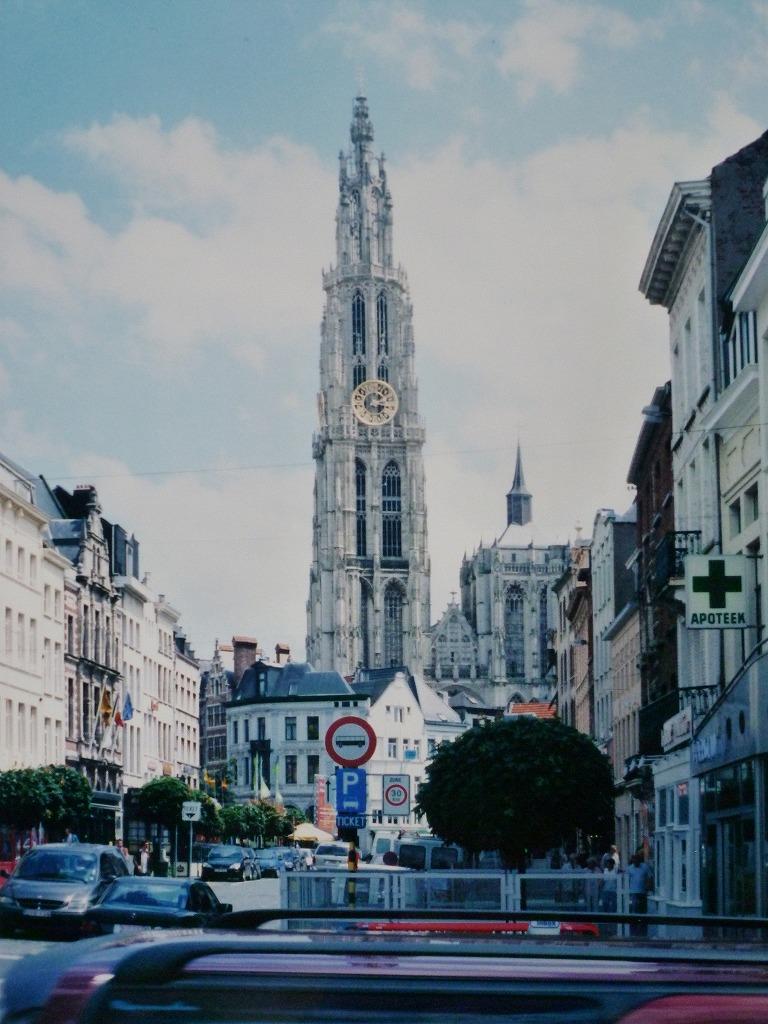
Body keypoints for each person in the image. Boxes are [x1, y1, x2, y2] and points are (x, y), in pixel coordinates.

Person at [627, 853, 653, 935]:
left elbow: (650, 877)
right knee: (634, 908)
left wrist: (648, 886)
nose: (636, 862)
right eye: (634, 861)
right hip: (633, 892)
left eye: (637, 861)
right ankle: (634, 925)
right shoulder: (629, 868)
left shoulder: (645, 867)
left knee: (642, 909)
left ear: (639, 861)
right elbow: (626, 879)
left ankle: (641, 926)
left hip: (643, 892)